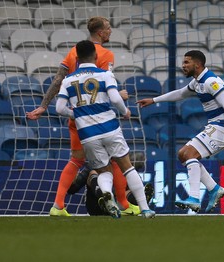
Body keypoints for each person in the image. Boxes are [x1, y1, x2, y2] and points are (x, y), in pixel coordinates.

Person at [26, 17, 136, 216]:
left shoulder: (73, 52)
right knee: (116, 159)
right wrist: (119, 97)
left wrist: (44, 106)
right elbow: (100, 86)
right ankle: (124, 205)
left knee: (76, 160)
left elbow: (59, 79)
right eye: (109, 28)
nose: (111, 31)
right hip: (97, 117)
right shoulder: (105, 54)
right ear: (101, 33)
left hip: (76, 116)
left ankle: (58, 206)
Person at [55, 40, 155, 218]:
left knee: (103, 170)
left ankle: (107, 194)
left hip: (87, 133)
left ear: (76, 58)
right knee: (127, 167)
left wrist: (78, 115)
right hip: (109, 127)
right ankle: (145, 208)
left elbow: (59, 108)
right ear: (95, 56)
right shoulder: (105, 75)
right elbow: (116, 100)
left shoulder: (68, 80)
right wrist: (125, 111)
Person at [137, 50, 224, 213]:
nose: (183, 66)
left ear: (197, 64)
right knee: (183, 154)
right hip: (215, 127)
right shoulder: (197, 82)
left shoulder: (211, 81)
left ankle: (195, 198)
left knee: (188, 154)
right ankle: (213, 188)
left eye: (186, 62)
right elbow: (180, 94)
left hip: (222, 128)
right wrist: (154, 100)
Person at [67, 164, 154, 216]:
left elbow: (134, 181)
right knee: (93, 173)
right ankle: (104, 199)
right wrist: (72, 178)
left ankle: (141, 198)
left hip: (118, 205)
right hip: (96, 205)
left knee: (125, 184)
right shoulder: (93, 166)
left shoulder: (121, 167)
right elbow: (72, 189)